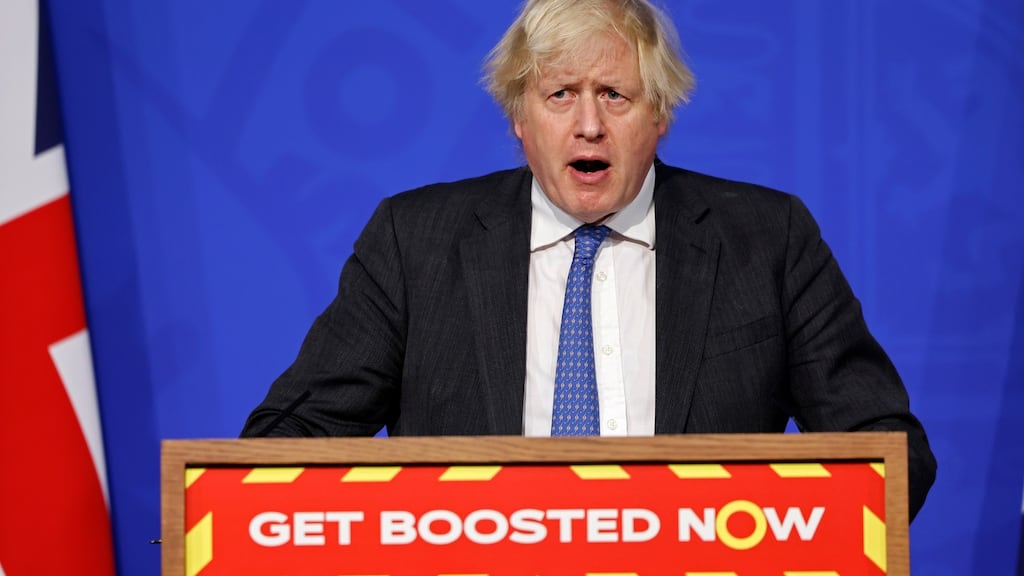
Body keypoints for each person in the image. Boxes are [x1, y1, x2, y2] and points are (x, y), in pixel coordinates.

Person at [242, 0, 936, 520]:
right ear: (520, 118)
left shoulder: (766, 239)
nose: (588, 124)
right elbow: (293, 443)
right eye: (560, 95)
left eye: (614, 94)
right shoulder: (416, 241)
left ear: (660, 114)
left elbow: (885, 454)